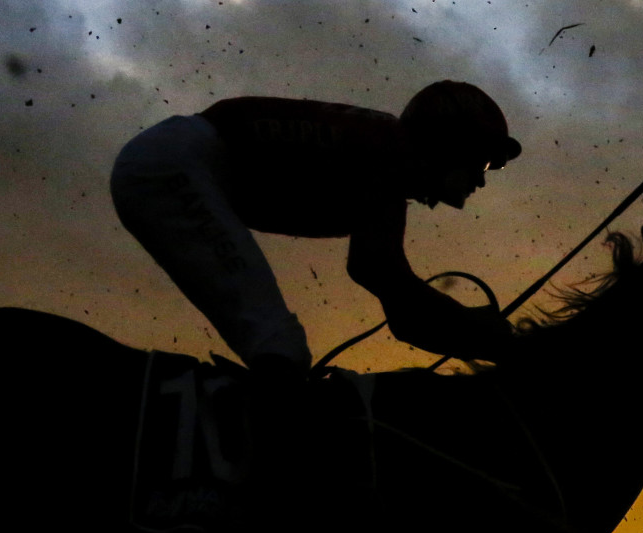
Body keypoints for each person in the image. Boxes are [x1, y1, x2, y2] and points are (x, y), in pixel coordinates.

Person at [110, 80, 520, 384]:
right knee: (278, 345)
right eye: (484, 163)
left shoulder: (385, 148)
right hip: (176, 163)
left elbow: (400, 311)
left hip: (171, 157)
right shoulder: (392, 153)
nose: (481, 181)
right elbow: (381, 272)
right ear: (452, 144)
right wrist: (498, 342)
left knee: (277, 343)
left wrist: (480, 338)